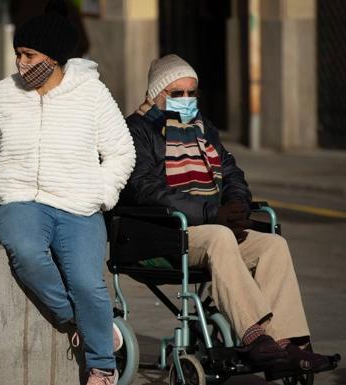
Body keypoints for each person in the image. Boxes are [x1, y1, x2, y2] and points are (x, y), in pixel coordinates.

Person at [119, 54, 338, 379]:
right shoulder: (136, 131)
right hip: (166, 232)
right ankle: (257, 340)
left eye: (192, 92)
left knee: (272, 245)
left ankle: (288, 344)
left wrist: (235, 206)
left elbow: (232, 172)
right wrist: (212, 213)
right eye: (177, 93)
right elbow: (146, 190)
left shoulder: (204, 128)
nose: (186, 99)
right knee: (220, 236)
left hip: (211, 228)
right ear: (157, 94)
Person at [0, 1, 135, 384]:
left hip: (78, 204)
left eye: (29, 55)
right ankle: (79, 321)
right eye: (17, 55)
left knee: (88, 282)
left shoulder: (92, 94)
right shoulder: (1, 94)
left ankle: (102, 368)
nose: (20, 63)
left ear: (55, 58)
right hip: (20, 200)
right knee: (26, 254)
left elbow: (121, 151)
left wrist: (101, 192)